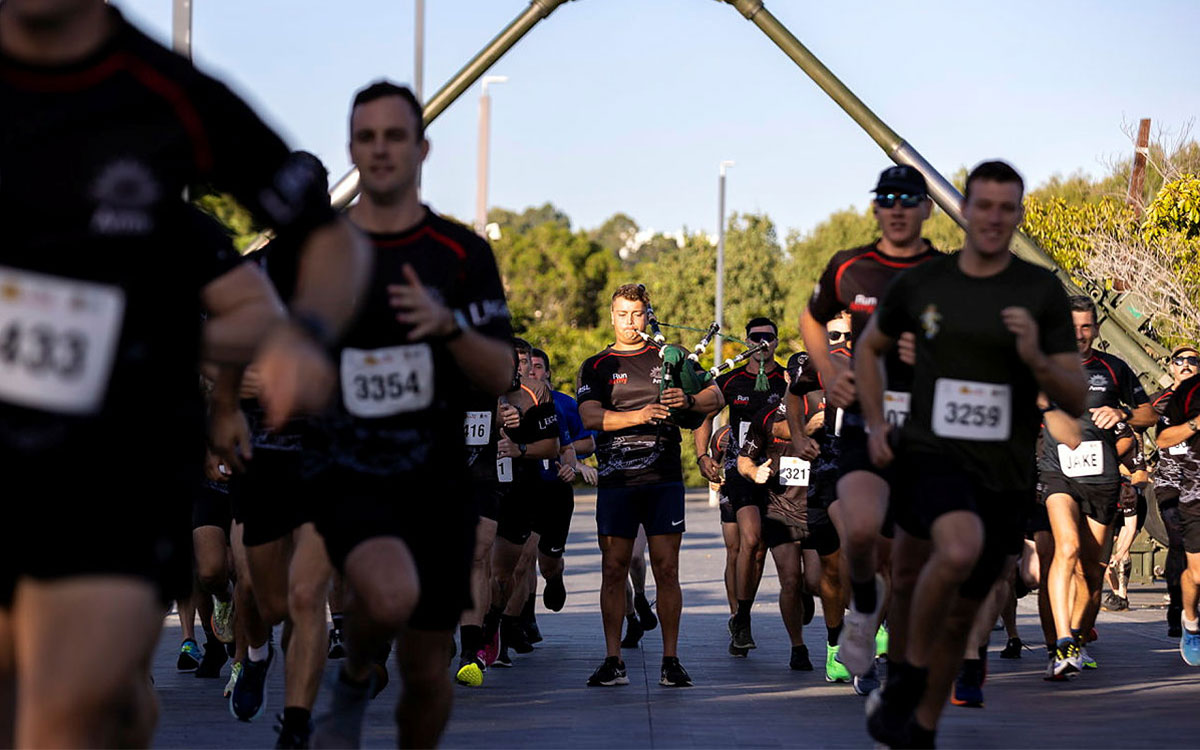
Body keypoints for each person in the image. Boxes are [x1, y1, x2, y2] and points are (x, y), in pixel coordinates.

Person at [0, 3, 370, 742]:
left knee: (59, 716)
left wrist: (305, 334)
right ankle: (124, 713)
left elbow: (332, 245)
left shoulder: (167, 94)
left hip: (117, 462)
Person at [309, 80, 514, 748]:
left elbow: (502, 372)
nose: (380, 150)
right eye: (366, 138)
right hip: (350, 471)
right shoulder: (324, 249)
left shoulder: (461, 255)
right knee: (388, 594)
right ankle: (358, 669)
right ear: (350, 149)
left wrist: (446, 328)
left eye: (395, 136)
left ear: (422, 148)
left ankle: (369, 681)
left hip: (439, 481)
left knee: (428, 674)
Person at [857, 160, 1085, 747]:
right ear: (964, 210)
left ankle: (923, 728)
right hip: (933, 455)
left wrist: (1034, 355)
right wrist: (879, 423)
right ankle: (905, 674)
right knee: (950, 551)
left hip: (1004, 472)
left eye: (1006, 208)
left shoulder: (1038, 291)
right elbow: (869, 348)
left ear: (1018, 213)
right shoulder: (925, 283)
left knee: (963, 615)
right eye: (982, 205)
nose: (993, 218)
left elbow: (1073, 393)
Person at [798, 165, 942, 686]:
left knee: (904, 564)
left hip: (922, 431)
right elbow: (812, 318)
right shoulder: (851, 267)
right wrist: (831, 368)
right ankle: (861, 610)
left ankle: (898, 670)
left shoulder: (946, 275)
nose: (898, 207)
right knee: (858, 532)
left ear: (926, 208)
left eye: (909, 198)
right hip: (862, 421)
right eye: (888, 198)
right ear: (876, 207)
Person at [577, 283, 719, 687]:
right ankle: (613, 659)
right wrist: (640, 415)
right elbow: (590, 416)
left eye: (637, 314)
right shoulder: (597, 365)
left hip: (664, 479)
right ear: (612, 317)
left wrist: (688, 403)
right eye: (622, 314)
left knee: (667, 569)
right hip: (618, 480)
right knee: (613, 567)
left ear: (647, 315)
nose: (629, 322)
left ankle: (671, 661)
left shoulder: (669, 356)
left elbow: (715, 396)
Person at [1039, 295, 1153, 677]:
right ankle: (1060, 644)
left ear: (1096, 330)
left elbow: (1149, 411)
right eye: (1072, 328)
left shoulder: (1113, 367)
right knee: (1066, 547)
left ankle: (1075, 637)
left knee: (1090, 570)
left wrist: (1122, 412)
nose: (1079, 335)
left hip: (1101, 478)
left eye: (1086, 327)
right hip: (1057, 472)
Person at [694, 318, 788, 654]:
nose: (762, 343)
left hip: (778, 471)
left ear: (777, 342)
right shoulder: (731, 379)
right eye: (755, 338)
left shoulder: (786, 379)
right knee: (746, 541)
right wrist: (703, 455)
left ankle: (743, 612)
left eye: (769, 338)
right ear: (746, 341)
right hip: (738, 468)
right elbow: (704, 412)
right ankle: (740, 616)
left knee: (760, 548)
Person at [738, 352, 822, 670]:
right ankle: (798, 647)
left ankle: (807, 592)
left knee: (813, 580)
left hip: (815, 508)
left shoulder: (830, 412)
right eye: (798, 381)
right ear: (788, 379)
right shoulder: (768, 416)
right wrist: (753, 472)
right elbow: (744, 457)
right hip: (779, 508)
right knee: (789, 578)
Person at [1149, 347, 1199, 638]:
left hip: (1198, 481)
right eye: (1180, 361)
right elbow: (1149, 434)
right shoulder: (1160, 400)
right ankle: (1177, 609)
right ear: (1171, 366)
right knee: (1179, 541)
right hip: (1170, 483)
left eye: (1193, 361)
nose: (1186, 365)